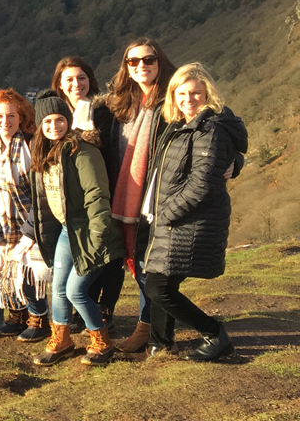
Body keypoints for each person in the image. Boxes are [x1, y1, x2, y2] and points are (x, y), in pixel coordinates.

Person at [142, 63, 246, 361]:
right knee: (164, 280)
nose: (189, 99)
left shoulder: (208, 129)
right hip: (170, 218)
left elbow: (202, 185)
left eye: (196, 93)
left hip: (184, 219)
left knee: (158, 286)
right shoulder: (180, 126)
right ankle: (159, 344)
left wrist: (166, 213)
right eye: (182, 93)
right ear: (173, 95)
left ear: (207, 94)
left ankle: (215, 334)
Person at [24, 91, 125, 367]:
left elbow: (97, 195)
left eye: (59, 120)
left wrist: (97, 236)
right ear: (40, 126)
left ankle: (101, 342)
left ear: (68, 120)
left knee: (75, 291)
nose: (54, 126)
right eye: (47, 122)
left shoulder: (83, 151)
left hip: (93, 233)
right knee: (57, 288)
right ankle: (63, 340)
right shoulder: (44, 155)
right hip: (68, 233)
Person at [103, 39, 177, 354]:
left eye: (149, 60)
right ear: (126, 67)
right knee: (139, 267)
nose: (141, 66)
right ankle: (152, 329)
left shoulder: (173, 99)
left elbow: (216, 127)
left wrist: (233, 160)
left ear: (160, 62)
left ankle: (150, 332)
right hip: (125, 201)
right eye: (133, 61)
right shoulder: (119, 104)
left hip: (156, 201)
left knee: (154, 269)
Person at [51, 57, 123, 333]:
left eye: (81, 77)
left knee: (108, 257)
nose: (76, 84)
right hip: (69, 203)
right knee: (79, 261)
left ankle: (105, 311)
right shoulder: (54, 114)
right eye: (68, 79)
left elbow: (113, 150)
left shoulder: (103, 111)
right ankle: (83, 314)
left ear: (89, 80)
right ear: (59, 83)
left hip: (104, 189)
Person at [0, 89, 51, 342]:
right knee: (5, 269)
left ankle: (39, 319)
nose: (4, 121)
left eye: (11, 116)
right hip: (5, 225)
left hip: (34, 221)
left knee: (30, 271)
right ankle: (17, 316)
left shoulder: (31, 145)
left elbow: (42, 194)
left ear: (21, 117)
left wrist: (30, 230)